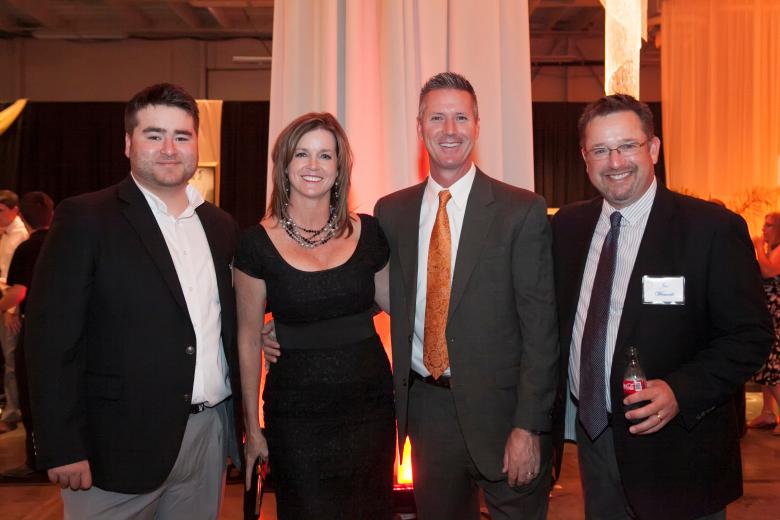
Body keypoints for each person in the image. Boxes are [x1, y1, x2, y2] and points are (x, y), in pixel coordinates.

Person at [25, 83, 242, 519]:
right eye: (153, 134)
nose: (169, 148)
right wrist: (61, 445)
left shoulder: (220, 226)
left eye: (181, 136)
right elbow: (50, 339)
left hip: (207, 439)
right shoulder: (86, 217)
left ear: (196, 144)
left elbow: (213, 321)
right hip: (113, 448)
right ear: (128, 143)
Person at [551, 94, 773, 520]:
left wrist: (681, 391)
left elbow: (750, 336)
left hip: (680, 454)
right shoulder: (567, 227)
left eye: (627, 146)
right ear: (584, 157)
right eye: (600, 149)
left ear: (653, 149)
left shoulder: (711, 229)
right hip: (595, 444)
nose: (615, 161)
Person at [235, 112, 395, 519]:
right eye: (302, 154)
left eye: (325, 155)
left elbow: (402, 306)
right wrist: (252, 429)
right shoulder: (255, 244)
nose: (313, 165)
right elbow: (249, 338)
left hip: (370, 409)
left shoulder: (370, 233)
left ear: (339, 169)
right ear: (284, 165)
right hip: (296, 416)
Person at [0, 191, 53, 481]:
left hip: (34, 329)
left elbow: (18, 292)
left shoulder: (27, 248)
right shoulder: (61, 242)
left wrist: (4, 307)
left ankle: (36, 462)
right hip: (61, 329)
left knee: (31, 395)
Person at [747, 212, 780, 434]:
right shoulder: (772, 250)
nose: (763, 230)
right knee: (766, 364)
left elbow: (769, 271)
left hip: (776, 315)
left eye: (768, 226)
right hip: (766, 313)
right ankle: (768, 412)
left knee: (775, 365)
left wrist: (758, 247)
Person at [0, 190, 29, 433]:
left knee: (11, 358)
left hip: (11, 299)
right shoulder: (5, 233)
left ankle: (12, 412)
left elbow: (20, 281)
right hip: (5, 295)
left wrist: (10, 309)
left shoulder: (20, 235)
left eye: (0, 210)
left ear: (14, 210)